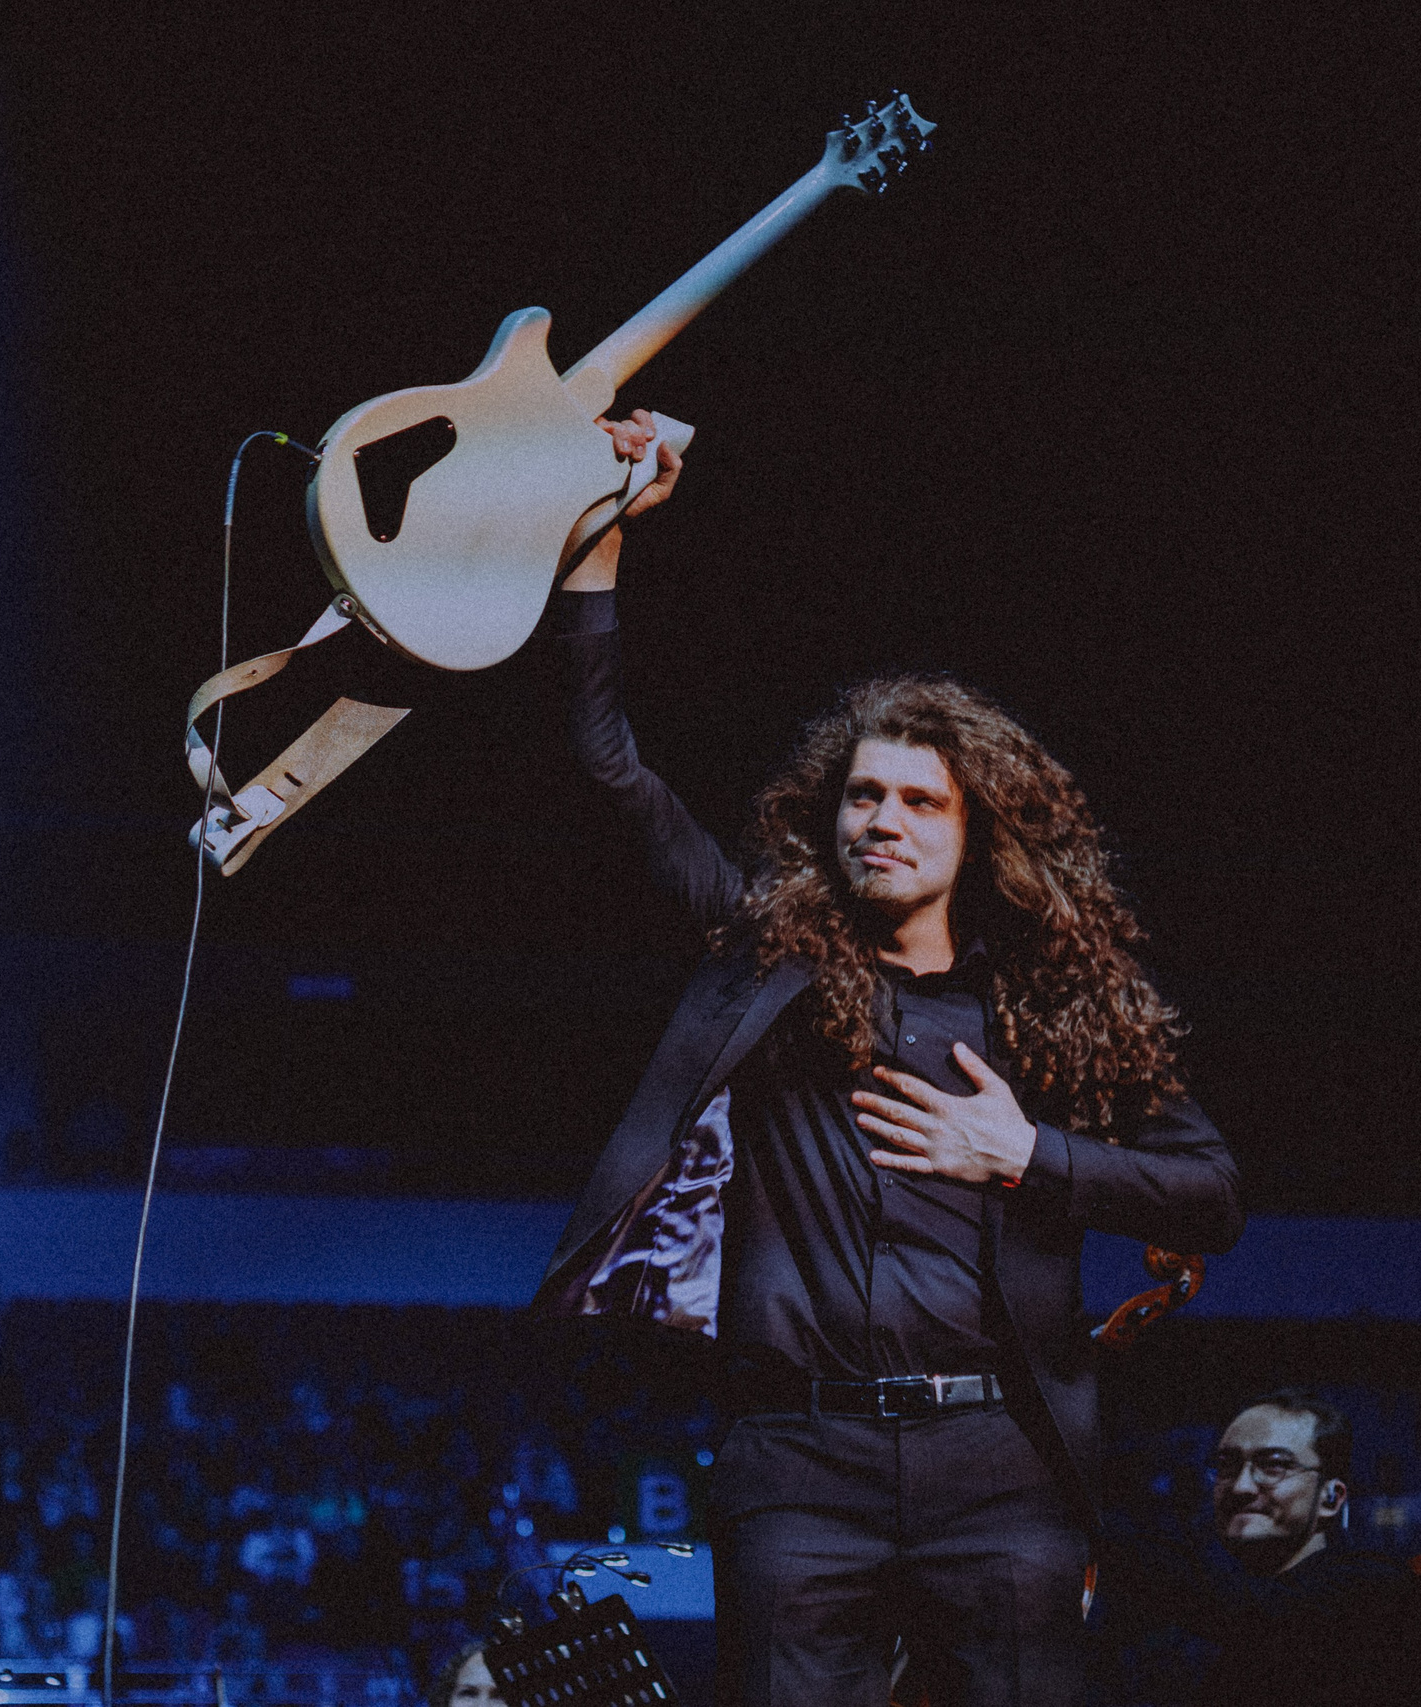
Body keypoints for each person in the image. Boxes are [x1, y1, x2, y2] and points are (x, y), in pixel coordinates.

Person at [531, 415, 1245, 1706]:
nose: (885, 821)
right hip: (800, 1457)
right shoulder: (775, 958)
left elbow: (1211, 1192)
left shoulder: (1056, 1001)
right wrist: (602, 546)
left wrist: (1028, 1154)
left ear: (980, 829)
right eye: (864, 795)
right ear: (830, 812)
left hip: (1004, 1456)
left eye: (922, 800)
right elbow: (610, 767)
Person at [1198, 1390, 1421, 1704]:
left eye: (1273, 1466)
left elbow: (1268, 1612)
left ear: (1330, 1498)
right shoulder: (1237, 1609)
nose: (1240, 1486)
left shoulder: (1370, 1587)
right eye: (1227, 1465)